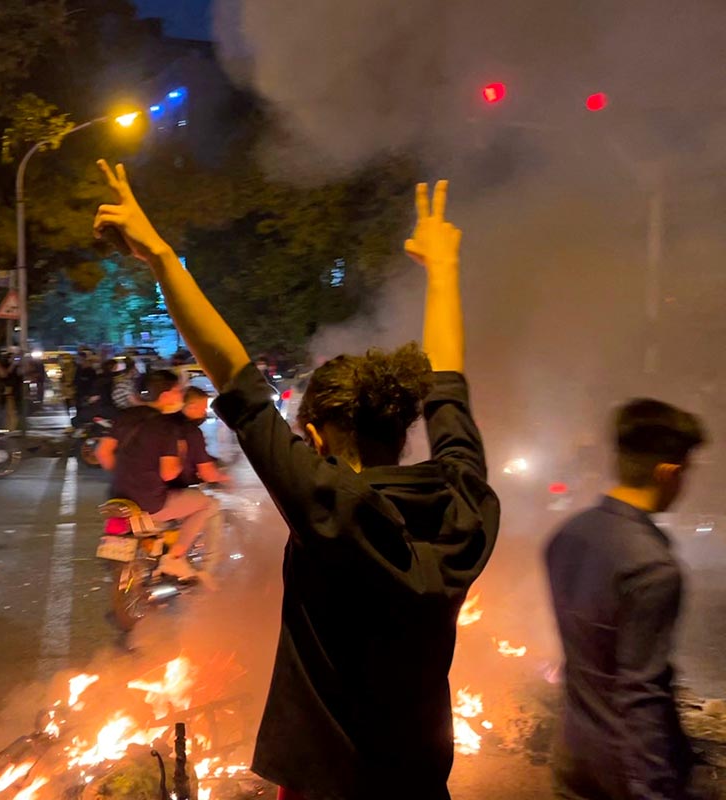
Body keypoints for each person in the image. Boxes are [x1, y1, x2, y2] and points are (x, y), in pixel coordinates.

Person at [94, 161, 498, 798]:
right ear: (404, 423)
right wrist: (444, 271)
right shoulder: (464, 503)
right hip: (421, 782)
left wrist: (163, 257)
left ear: (314, 438)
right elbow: (451, 388)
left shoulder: (328, 506)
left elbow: (234, 377)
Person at [546, 400, 712, 800]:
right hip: (622, 775)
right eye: (686, 472)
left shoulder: (567, 536)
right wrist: (655, 788)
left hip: (571, 754)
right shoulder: (652, 567)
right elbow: (642, 693)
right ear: (667, 472)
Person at [96, 369, 216, 581]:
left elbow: (103, 453)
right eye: (178, 391)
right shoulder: (166, 426)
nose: (181, 396)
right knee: (206, 504)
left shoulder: (125, 416)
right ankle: (176, 558)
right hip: (150, 501)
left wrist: (127, 472)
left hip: (118, 496)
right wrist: (180, 458)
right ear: (165, 396)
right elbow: (169, 474)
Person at [169, 386, 230, 489]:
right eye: (203, 408)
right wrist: (228, 479)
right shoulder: (192, 432)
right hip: (174, 489)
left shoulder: (165, 423)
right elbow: (208, 474)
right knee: (212, 503)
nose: (205, 413)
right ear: (192, 406)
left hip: (152, 485)